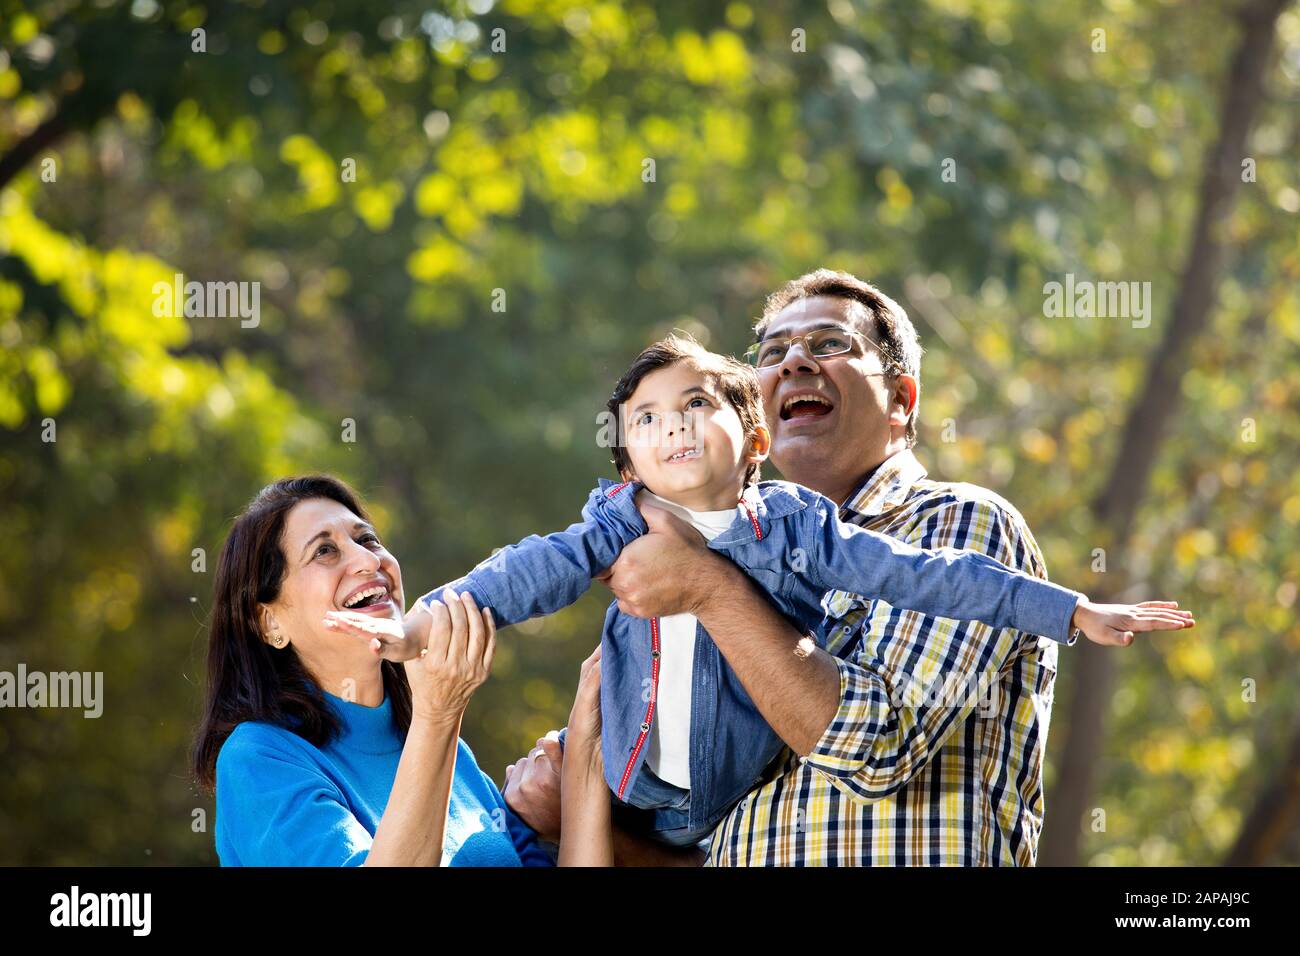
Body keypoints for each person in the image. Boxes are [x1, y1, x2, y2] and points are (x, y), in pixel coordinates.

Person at [326, 332, 1192, 853]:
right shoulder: (618, 525)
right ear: (628, 460)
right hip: (630, 795)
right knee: (519, 822)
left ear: (753, 441)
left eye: (696, 403)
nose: (672, 426)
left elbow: (932, 580)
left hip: (727, 804)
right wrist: (417, 629)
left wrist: (1071, 611)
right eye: (648, 418)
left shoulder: (801, 531)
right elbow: (521, 575)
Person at [192, 475, 594, 866]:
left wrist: (586, 764)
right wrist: (438, 715)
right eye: (324, 551)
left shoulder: (446, 752)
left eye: (367, 539)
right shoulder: (259, 759)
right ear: (269, 623)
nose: (369, 561)